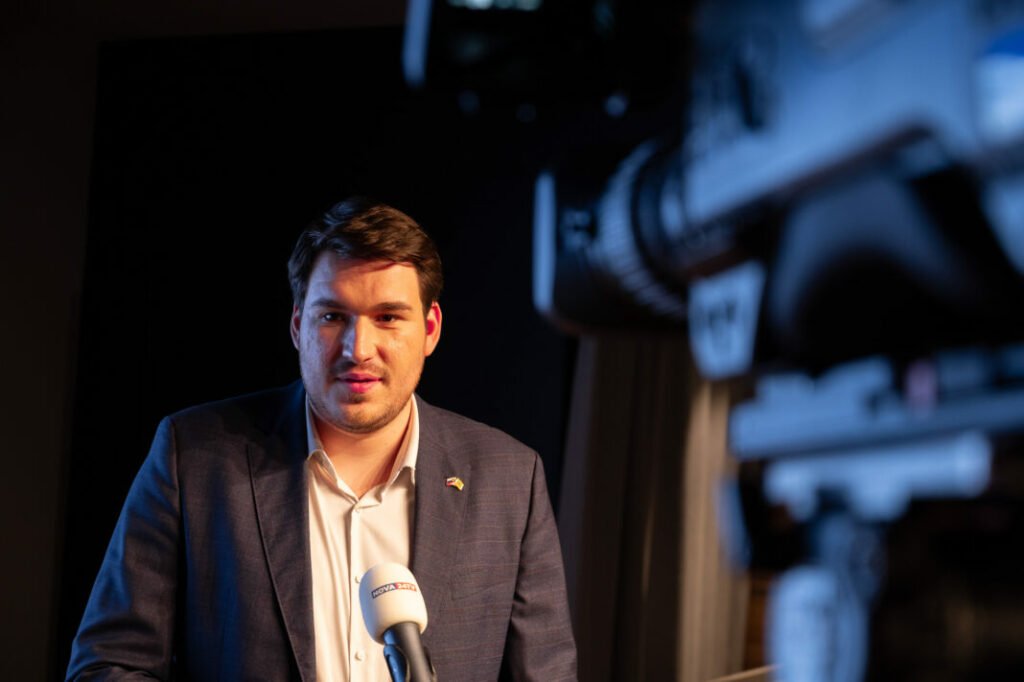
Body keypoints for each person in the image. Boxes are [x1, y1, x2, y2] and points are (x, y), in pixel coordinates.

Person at [67, 198, 577, 681]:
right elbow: (108, 665)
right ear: (297, 325)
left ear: (430, 329)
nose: (359, 348)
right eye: (333, 317)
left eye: (388, 318)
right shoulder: (195, 457)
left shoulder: (510, 480)